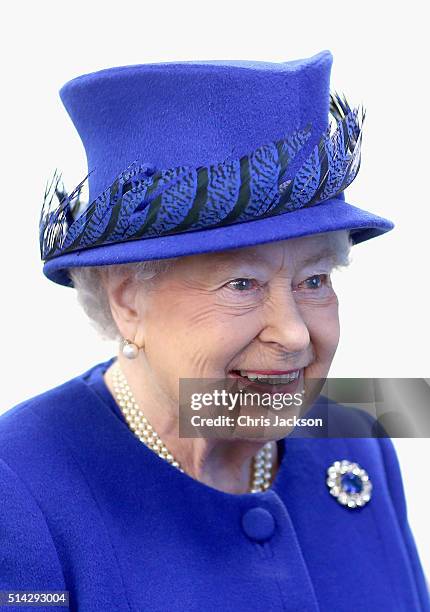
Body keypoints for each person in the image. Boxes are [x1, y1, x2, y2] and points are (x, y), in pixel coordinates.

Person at [1, 49, 428, 611]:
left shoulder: (352, 439)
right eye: (243, 284)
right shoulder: (19, 488)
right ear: (129, 300)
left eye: (316, 278)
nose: (295, 334)